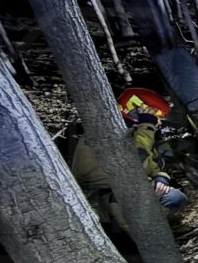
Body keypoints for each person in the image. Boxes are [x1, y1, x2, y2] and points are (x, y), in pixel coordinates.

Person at [68, 87, 187, 231]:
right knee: (128, 205)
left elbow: (150, 163)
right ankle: (139, 241)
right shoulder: (101, 131)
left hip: (130, 186)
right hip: (102, 195)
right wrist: (147, 126)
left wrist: (160, 178)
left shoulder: (133, 132)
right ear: (136, 108)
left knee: (174, 197)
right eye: (154, 114)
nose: (158, 122)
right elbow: (134, 160)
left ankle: (158, 230)